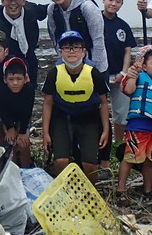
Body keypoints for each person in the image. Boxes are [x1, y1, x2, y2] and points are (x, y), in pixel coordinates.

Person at [42, 30, 110, 182]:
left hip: (88, 119)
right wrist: (45, 132)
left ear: (84, 51)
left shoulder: (94, 73)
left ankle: (90, 191)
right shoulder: (54, 73)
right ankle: (62, 188)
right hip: (62, 119)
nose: (71, 51)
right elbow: (47, 103)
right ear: (60, 52)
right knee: (61, 161)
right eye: (66, 48)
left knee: (89, 165)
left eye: (76, 47)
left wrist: (106, 130)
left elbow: (104, 103)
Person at [117, 46, 152, 198]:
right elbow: (129, 90)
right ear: (145, 66)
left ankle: (148, 190)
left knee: (149, 161)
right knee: (130, 157)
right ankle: (120, 190)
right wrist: (132, 75)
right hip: (138, 126)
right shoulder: (139, 77)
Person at [40, 0, 107, 73]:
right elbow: (55, 39)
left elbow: (98, 39)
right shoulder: (52, 10)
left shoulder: (87, 7)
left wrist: (96, 70)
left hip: (91, 61)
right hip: (67, 65)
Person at [102, 0, 136, 172]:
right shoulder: (95, 21)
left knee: (121, 114)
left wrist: (124, 72)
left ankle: (118, 145)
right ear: (104, 0)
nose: (113, 4)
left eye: (118, 1)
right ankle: (101, 147)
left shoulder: (123, 26)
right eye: (110, 0)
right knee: (98, 111)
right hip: (98, 75)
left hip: (118, 76)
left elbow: (127, 51)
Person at [0, 56, 36, 167]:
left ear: (25, 78)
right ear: (5, 79)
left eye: (19, 79)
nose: (15, 83)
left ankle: (26, 168)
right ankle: (11, 168)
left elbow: (27, 111)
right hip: (8, 117)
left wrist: (22, 131)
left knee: (23, 144)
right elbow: (2, 110)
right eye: (11, 79)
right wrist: (9, 127)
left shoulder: (29, 90)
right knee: (10, 142)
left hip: (22, 117)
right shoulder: (1, 91)